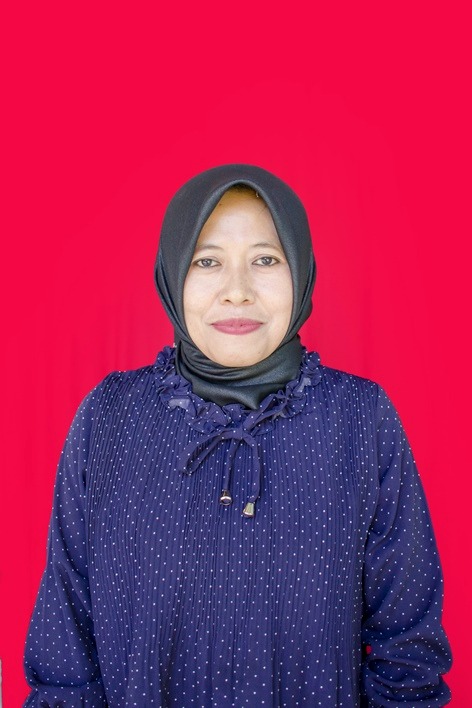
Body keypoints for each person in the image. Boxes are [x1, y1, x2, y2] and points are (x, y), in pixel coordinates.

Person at [24, 164, 452, 706]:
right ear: (172, 271)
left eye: (265, 260)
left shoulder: (361, 419)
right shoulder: (108, 416)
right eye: (207, 261)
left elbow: (407, 652)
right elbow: (65, 649)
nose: (237, 292)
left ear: (301, 270)